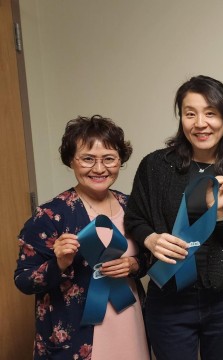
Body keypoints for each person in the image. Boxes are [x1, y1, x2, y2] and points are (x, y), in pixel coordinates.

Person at [124, 76, 223, 360]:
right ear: (180, 118)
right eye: (189, 113)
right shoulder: (156, 166)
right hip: (168, 297)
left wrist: (218, 215)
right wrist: (151, 239)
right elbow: (135, 218)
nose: (200, 123)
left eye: (210, 113)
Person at [14, 115, 149, 360]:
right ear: (71, 161)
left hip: (129, 321)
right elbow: (23, 280)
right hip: (77, 332)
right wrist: (59, 264)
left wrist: (134, 264)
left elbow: (148, 256)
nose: (99, 169)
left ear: (120, 160)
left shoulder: (131, 206)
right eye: (88, 159)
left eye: (109, 159)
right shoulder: (51, 214)